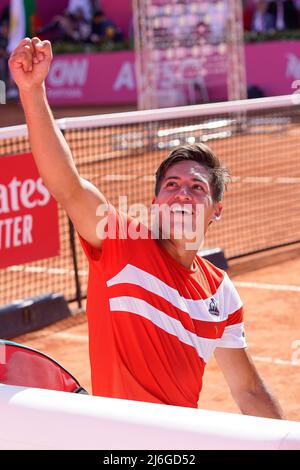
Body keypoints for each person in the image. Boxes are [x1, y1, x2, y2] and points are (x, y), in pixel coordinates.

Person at [8, 37, 284, 418]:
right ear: (156, 204)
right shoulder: (121, 242)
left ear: (216, 210)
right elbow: (67, 185)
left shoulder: (221, 292)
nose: (182, 194)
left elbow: (249, 390)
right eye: (172, 186)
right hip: (118, 442)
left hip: (177, 443)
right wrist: (33, 91)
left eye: (197, 188)